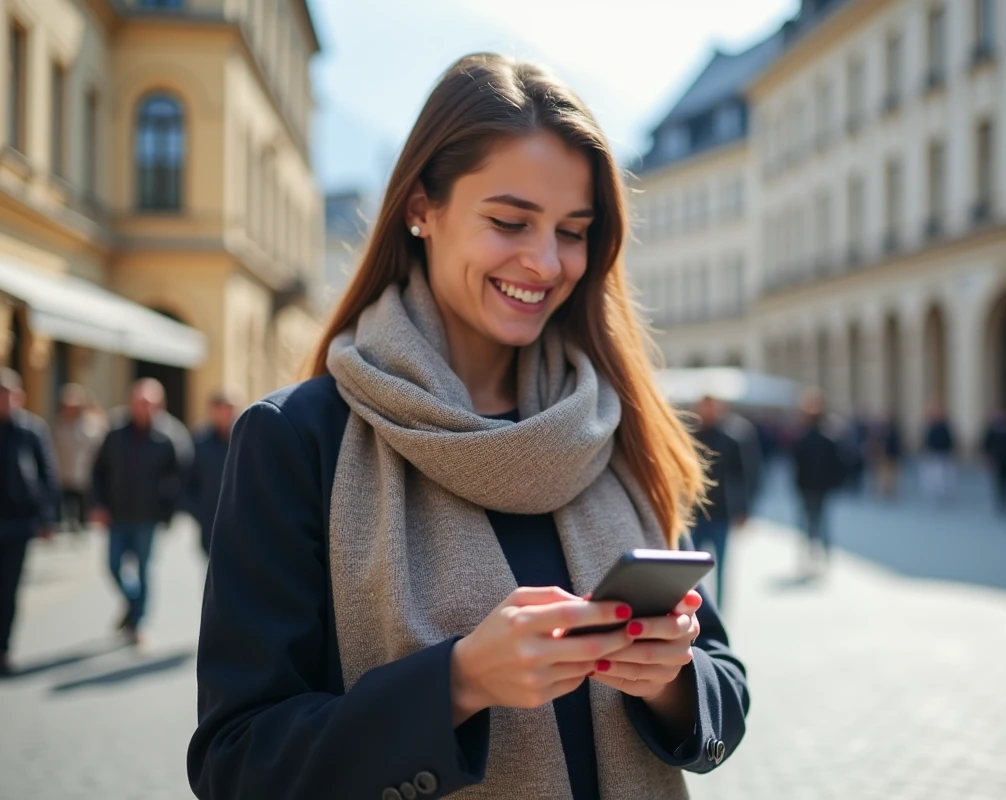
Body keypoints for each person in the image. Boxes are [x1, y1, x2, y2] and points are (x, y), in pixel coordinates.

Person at [187, 54, 749, 800]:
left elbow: (722, 688)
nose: (546, 262)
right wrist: (456, 684)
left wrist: (674, 679)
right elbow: (236, 761)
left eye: (573, 231)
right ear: (421, 207)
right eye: (510, 221)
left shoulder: (611, 423)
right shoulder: (296, 440)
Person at [91, 379, 188, 645]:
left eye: (149, 403)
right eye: (139, 402)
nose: (143, 408)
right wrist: (98, 504)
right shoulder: (115, 433)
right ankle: (134, 606)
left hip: (148, 516)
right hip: (117, 514)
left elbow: (179, 477)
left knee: (144, 570)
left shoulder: (168, 437)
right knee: (112, 566)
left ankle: (139, 623)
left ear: (159, 405)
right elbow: (99, 470)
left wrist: (170, 511)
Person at [0, 368, 59, 676]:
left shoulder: (32, 430)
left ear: (19, 397)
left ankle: (4, 648)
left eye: (8, 394)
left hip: (19, 523)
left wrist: (48, 517)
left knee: (8, 589)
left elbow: (48, 473)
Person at [690, 395, 752, 610]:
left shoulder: (730, 438)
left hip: (722, 513)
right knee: (690, 569)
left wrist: (743, 510)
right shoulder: (691, 437)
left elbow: (742, 476)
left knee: (722, 567)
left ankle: (719, 610)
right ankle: (696, 609)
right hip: (694, 514)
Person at [790, 389, 845, 569]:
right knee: (815, 522)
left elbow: (836, 463)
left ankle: (817, 555)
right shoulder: (808, 437)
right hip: (812, 486)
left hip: (816, 486)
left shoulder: (818, 437)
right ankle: (813, 556)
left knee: (815, 522)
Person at [185, 390, 240, 558]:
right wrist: (198, 511)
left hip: (240, 518)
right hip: (210, 519)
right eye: (221, 409)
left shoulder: (245, 437)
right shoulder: (200, 440)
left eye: (230, 408)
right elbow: (187, 479)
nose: (225, 414)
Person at [52, 383, 107, 536]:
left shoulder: (90, 425)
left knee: (82, 507)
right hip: (64, 473)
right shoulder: (59, 425)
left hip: (84, 474)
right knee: (65, 507)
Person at [983, 410, 1006, 516]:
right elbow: (987, 444)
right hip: (998, 459)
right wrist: (989, 457)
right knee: (999, 481)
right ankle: (1000, 500)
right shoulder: (993, 430)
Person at [921, 404, 956, 501]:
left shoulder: (945, 427)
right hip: (933, 452)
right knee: (933, 474)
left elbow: (949, 440)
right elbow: (927, 439)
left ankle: (942, 491)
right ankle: (934, 491)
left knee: (943, 474)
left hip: (943, 452)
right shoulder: (931, 426)